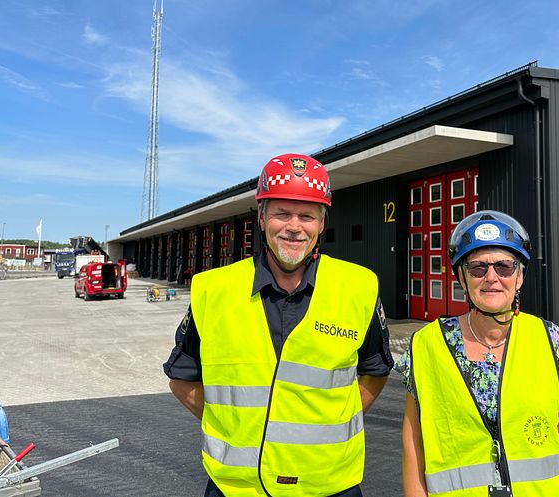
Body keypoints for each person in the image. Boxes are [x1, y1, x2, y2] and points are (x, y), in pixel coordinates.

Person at [163, 153, 394, 497]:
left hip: (330, 486)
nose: (294, 227)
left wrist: (328, 424)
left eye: (307, 216)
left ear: (322, 223)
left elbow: (375, 370)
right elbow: (182, 379)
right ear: (261, 217)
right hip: (236, 488)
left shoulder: (358, 287)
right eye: (282, 214)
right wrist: (239, 429)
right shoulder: (213, 289)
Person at [397, 210, 559, 497]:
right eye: (477, 268)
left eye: (505, 267)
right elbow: (414, 444)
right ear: (462, 277)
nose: (492, 278)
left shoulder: (552, 340)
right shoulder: (426, 345)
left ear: (519, 276)